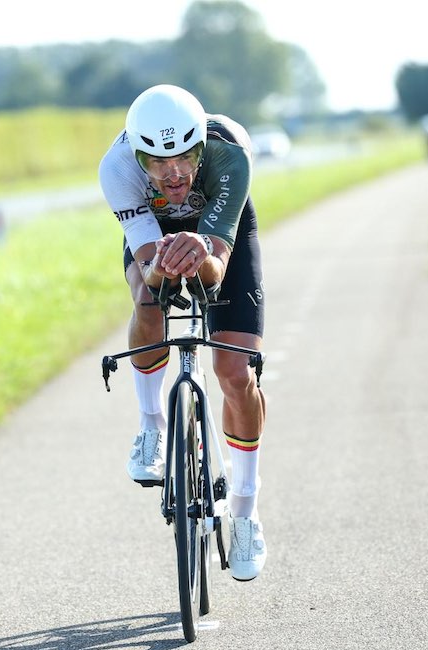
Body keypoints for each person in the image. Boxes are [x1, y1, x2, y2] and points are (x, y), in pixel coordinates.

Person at [98, 84, 268, 581]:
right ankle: (151, 426)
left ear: (201, 146)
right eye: (156, 161)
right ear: (137, 154)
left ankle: (244, 510)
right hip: (155, 237)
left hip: (217, 237)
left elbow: (215, 269)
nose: (173, 173)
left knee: (235, 373)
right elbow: (149, 262)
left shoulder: (231, 155)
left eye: (185, 157)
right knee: (147, 294)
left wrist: (202, 251)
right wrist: (162, 268)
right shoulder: (116, 167)